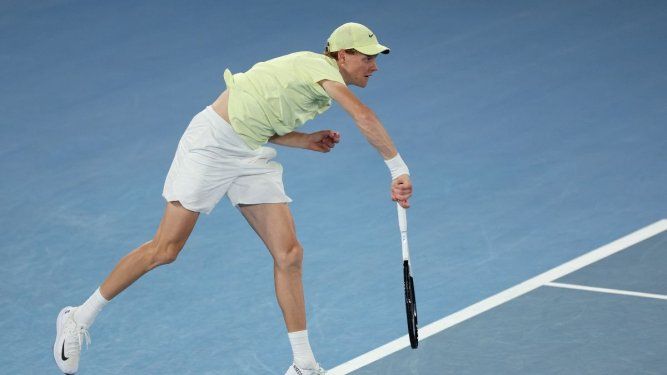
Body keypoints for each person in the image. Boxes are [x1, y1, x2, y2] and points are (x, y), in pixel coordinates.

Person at [53, 22, 413, 375]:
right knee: (165, 249)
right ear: (344, 55)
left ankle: (303, 365)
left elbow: (258, 118)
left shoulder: (318, 86)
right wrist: (397, 169)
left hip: (249, 152)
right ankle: (78, 317)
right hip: (211, 146)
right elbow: (363, 116)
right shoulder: (317, 67)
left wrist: (303, 140)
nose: (374, 66)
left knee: (289, 254)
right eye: (368, 57)